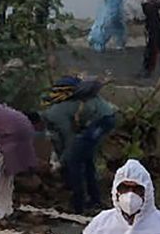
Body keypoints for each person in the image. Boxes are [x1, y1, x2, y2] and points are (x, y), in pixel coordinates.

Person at [42, 77, 118, 213]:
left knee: (74, 161)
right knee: (86, 159)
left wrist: (61, 162)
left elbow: (69, 139)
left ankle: (79, 204)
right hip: (106, 117)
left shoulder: (55, 114)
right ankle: (94, 200)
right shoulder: (66, 106)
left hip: (103, 120)